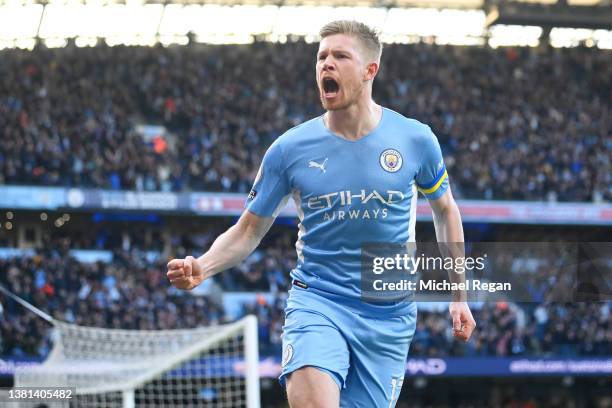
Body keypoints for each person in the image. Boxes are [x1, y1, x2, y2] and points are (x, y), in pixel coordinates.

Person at [167, 20, 476, 408]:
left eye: (340, 56)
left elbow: (445, 210)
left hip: (389, 315)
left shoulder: (415, 139)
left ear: (369, 71)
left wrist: (458, 294)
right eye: (321, 56)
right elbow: (247, 231)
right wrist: (204, 266)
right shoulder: (288, 150)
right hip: (319, 300)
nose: (326, 64)